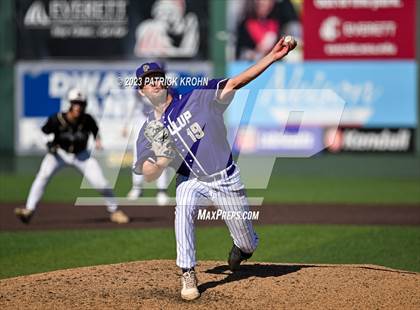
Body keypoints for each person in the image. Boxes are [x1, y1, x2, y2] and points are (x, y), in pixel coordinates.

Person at [133, 37, 297, 300]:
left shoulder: (198, 97)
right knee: (183, 206)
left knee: (246, 243)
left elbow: (235, 82)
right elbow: (147, 171)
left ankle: (241, 249)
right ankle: (187, 271)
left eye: (156, 76)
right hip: (191, 179)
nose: (153, 81)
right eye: (146, 80)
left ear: (165, 81)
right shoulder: (149, 130)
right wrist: (161, 161)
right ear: (141, 91)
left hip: (225, 178)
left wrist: (271, 57)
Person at [14, 88, 130, 224]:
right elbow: (42, 132)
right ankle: (29, 210)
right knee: (42, 176)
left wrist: (98, 140)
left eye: (81, 104)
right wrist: (48, 143)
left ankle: (115, 211)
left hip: (82, 156)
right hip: (59, 154)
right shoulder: (57, 119)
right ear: (69, 104)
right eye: (75, 103)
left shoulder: (87, 120)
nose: (78, 106)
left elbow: (95, 131)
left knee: (101, 183)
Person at [122, 93, 170, 204]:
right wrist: (125, 124)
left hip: (160, 120)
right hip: (142, 120)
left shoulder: (166, 86)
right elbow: (133, 104)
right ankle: (137, 187)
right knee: (137, 154)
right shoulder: (140, 86)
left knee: (162, 154)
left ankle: (162, 190)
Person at [235, 0, 300, 60]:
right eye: (260, 5)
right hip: (252, 61)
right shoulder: (246, 24)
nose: (264, 8)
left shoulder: (277, 22)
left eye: (267, 5)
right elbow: (241, 49)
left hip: (273, 60)